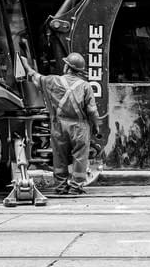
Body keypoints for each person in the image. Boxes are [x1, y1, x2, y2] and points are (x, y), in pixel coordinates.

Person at [25, 52, 104, 195]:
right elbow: (92, 112)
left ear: (67, 67)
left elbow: (35, 77)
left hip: (59, 125)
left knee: (59, 157)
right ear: (79, 70)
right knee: (80, 157)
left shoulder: (53, 81)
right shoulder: (86, 86)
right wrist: (96, 127)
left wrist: (26, 65)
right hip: (80, 127)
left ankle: (61, 186)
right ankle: (75, 187)